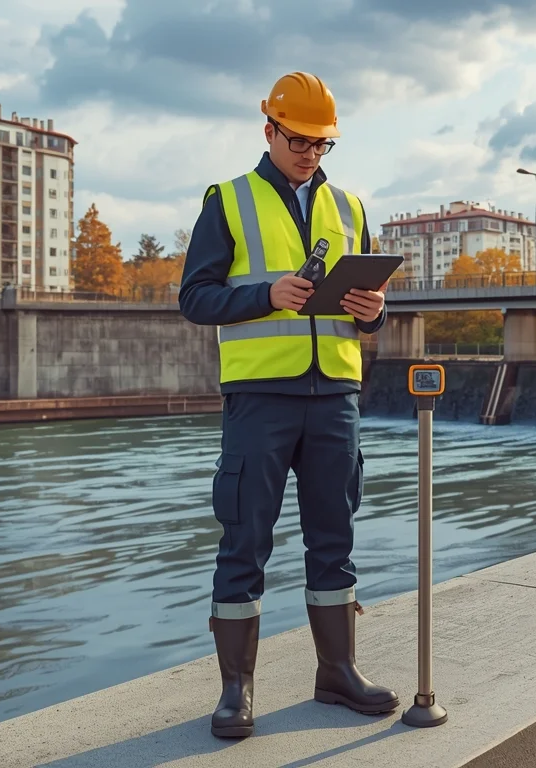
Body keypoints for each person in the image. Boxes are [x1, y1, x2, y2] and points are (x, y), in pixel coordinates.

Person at [179, 71, 398, 740]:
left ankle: (337, 672)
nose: (310, 153)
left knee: (335, 539)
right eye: (299, 140)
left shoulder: (353, 208)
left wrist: (375, 312)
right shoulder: (228, 200)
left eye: (322, 144)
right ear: (268, 128)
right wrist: (266, 296)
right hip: (260, 400)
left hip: (334, 395)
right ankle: (235, 692)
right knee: (245, 539)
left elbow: (366, 313)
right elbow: (195, 299)